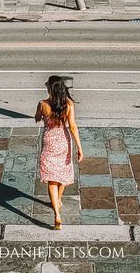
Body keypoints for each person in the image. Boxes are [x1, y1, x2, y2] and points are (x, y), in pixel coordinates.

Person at [35, 75, 83, 230]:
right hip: (63, 142)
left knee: (51, 180)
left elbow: (37, 118)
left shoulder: (42, 104)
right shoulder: (68, 104)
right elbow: (73, 126)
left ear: (50, 88)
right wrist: (80, 147)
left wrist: (40, 115)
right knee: (62, 174)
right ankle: (59, 199)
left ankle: (57, 214)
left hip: (49, 142)